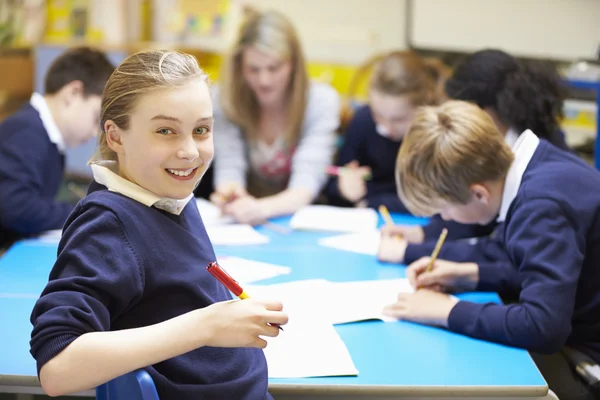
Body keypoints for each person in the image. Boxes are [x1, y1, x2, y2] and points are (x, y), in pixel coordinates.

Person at [29, 49, 288, 399]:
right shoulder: (107, 225)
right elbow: (57, 369)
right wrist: (205, 326)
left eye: (201, 130)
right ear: (115, 136)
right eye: (165, 130)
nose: (189, 152)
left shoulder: (167, 193)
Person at [382, 100, 600, 400]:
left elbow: (543, 326)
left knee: (457, 369)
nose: (444, 218)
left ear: (478, 194)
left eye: (444, 209)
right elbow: (546, 268)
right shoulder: (539, 164)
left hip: (588, 363)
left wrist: (447, 310)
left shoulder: (541, 207)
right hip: (578, 334)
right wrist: (470, 276)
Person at [378, 49, 572, 265]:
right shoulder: (520, 142)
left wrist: (412, 252)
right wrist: (424, 234)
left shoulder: (530, 173)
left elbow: (503, 253)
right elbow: (475, 211)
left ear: (481, 111)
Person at [210, 9, 340, 224]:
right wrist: (230, 194)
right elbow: (229, 166)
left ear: (294, 64)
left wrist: (262, 208)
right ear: (239, 67)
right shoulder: (224, 99)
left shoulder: (320, 101)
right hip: (245, 221)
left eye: (274, 67)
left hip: (297, 220)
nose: (264, 80)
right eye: (253, 69)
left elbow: (306, 183)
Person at [0, 46, 114, 248]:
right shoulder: (25, 132)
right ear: (73, 93)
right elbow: (14, 207)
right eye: (95, 118)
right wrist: (83, 213)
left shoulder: (44, 136)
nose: (94, 133)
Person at [325, 51, 448, 212]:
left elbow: (437, 200)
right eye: (379, 115)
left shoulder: (440, 132)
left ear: (425, 107)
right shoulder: (363, 121)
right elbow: (332, 185)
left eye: (398, 119)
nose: (386, 127)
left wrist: (372, 201)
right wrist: (343, 187)